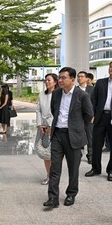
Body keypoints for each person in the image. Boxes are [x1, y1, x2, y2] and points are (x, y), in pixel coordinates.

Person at [43, 67, 93, 208]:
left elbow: (89, 114)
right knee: (54, 169)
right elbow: (54, 110)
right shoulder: (57, 93)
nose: (60, 80)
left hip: (74, 136)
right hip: (58, 134)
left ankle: (71, 194)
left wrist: (77, 127)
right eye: (59, 77)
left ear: (72, 80)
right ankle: (53, 198)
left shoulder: (81, 95)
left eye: (63, 77)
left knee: (73, 169)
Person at [85, 61, 112, 181]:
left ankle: (111, 170)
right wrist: (92, 114)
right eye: (111, 66)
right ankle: (95, 168)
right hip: (100, 117)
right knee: (96, 144)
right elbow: (93, 100)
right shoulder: (101, 82)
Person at [35, 73, 58, 185]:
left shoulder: (58, 94)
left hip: (53, 126)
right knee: (45, 152)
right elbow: (38, 110)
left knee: (53, 153)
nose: (47, 82)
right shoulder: (41, 94)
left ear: (55, 82)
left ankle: (53, 177)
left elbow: (57, 111)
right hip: (42, 126)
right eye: (46, 80)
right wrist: (40, 124)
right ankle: (48, 176)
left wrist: (50, 125)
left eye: (49, 80)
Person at [77, 71, 94, 164]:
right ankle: (78, 154)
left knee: (90, 138)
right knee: (78, 137)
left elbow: (95, 103)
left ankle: (90, 156)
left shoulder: (92, 89)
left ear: (87, 78)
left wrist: (93, 115)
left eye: (82, 76)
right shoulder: (74, 89)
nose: (79, 78)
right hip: (78, 118)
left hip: (89, 117)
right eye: (78, 76)